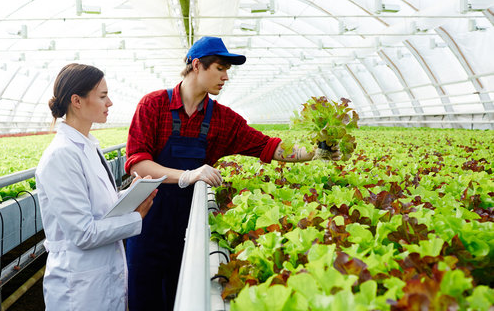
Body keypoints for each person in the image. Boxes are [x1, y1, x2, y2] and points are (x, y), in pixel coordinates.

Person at [124, 36, 340, 311]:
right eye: (220, 68)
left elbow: (269, 147)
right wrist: (189, 175)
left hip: (190, 232)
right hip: (147, 226)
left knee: (183, 299)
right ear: (196, 65)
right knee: (144, 300)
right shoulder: (153, 105)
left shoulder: (223, 119)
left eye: (228, 70)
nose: (226, 76)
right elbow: (138, 164)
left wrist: (314, 152)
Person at [36, 63, 157, 311]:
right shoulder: (61, 156)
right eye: (102, 96)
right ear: (77, 101)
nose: (109, 102)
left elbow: (97, 204)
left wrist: (128, 195)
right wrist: (136, 217)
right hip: (78, 288)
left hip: (98, 278)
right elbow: (83, 233)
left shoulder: (88, 147)